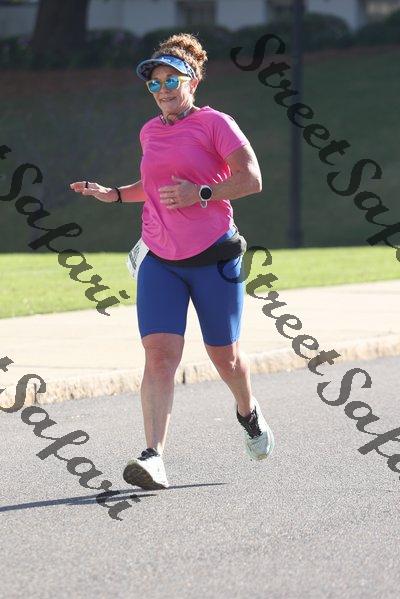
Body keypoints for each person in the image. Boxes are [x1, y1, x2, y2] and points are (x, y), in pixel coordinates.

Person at [69, 32, 274, 491]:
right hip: (160, 258)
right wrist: (114, 194)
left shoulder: (216, 124)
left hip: (214, 258)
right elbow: (154, 188)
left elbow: (252, 179)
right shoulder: (150, 131)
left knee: (226, 358)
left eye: (171, 80)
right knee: (160, 355)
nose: (162, 90)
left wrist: (201, 192)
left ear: (192, 81)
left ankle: (248, 412)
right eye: (154, 83)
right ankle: (154, 456)